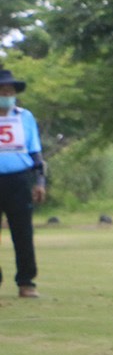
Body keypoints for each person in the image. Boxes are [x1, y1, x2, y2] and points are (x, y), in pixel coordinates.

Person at [0, 68, 46, 298]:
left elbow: (35, 152)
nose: (6, 94)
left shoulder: (24, 117)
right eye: (2, 90)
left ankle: (26, 281)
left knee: (23, 232)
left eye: (10, 90)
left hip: (18, 180)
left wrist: (40, 181)